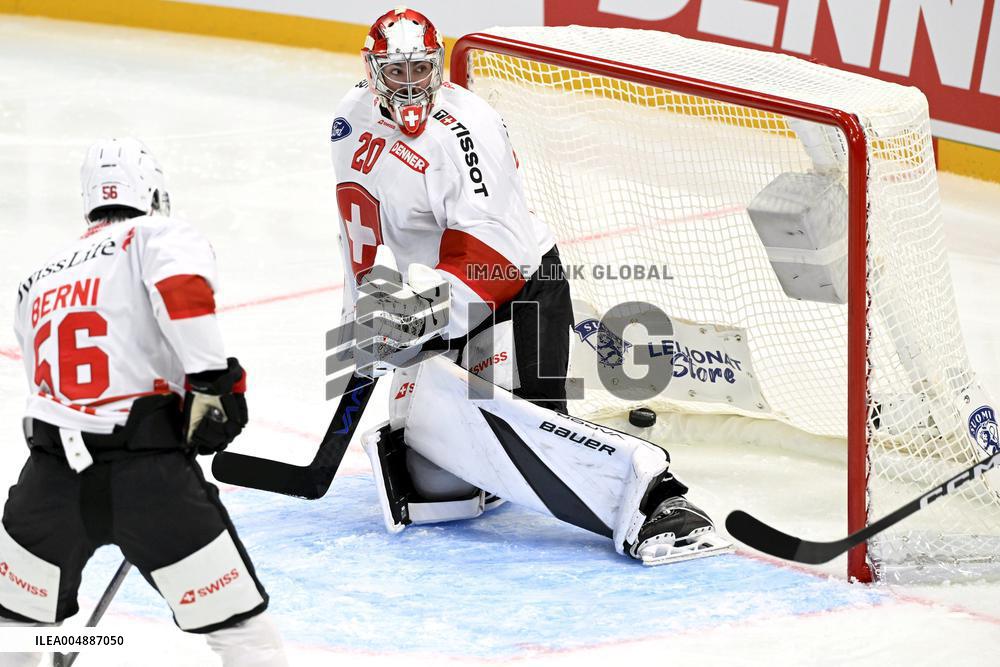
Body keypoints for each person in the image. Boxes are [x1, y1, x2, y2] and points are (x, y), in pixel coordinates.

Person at [331, 7, 730, 565]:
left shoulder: (467, 128)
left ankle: (658, 502)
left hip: (518, 284)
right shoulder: (350, 122)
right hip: (442, 294)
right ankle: (492, 462)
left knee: (541, 431)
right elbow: (359, 234)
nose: (409, 84)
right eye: (395, 72)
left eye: (420, 69)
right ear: (371, 71)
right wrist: (366, 317)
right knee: (435, 491)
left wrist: (420, 317)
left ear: (437, 67)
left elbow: (494, 256)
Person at [0, 138, 287, 667]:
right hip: (147, 479)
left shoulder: (35, 279)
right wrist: (210, 385)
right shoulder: (157, 234)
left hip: (49, 481)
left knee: (14, 635)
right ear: (152, 191)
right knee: (243, 634)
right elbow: (182, 291)